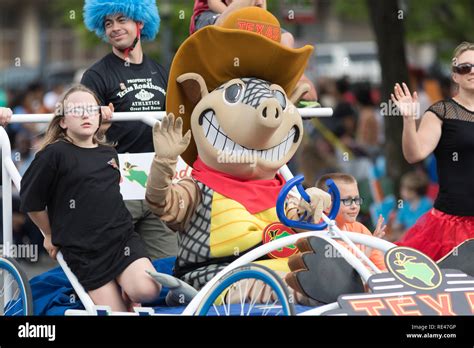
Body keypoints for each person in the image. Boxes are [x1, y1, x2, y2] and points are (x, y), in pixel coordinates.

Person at [19, 85, 162, 311]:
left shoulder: (108, 153)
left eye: (91, 109)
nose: (85, 114)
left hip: (121, 240)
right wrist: (49, 233)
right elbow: (31, 200)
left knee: (150, 289)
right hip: (85, 252)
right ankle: (117, 293)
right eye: (77, 110)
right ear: (63, 121)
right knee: (117, 314)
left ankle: (126, 285)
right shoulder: (55, 154)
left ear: (98, 116)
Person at [81, 0, 177, 260]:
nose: (114, 28)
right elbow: (81, 138)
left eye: (122, 20)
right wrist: (100, 129)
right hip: (116, 183)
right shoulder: (95, 76)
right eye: (108, 23)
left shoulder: (160, 71)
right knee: (116, 266)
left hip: (159, 182)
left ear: (140, 22)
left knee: (168, 268)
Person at [391, 41, 474, 261]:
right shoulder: (442, 111)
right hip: (453, 223)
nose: (472, 72)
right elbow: (414, 154)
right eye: (465, 68)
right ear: (455, 76)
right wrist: (408, 118)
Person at [189, 0, 317, 100]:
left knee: (286, 37)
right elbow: (213, 3)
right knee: (223, 24)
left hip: (246, 16)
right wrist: (239, 17)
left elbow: (262, 7)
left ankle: (288, 82)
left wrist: (263, 24)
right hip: (212, 14)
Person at [315, 173, 387, 271]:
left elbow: (381, 268)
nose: (354, 206)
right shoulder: (320, 231)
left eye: (356, 199)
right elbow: (349, 271)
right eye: (347, 201)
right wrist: (371, 245)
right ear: (327, 205)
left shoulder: (360, 229)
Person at [391, 171, 432, 240]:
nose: (401, 192)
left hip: (423, 238)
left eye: (404, 189)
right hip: (408, 238)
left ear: (414, 191)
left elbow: (428, 227)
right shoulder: (403, 204)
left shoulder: (428, 204)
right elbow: (396, 225)